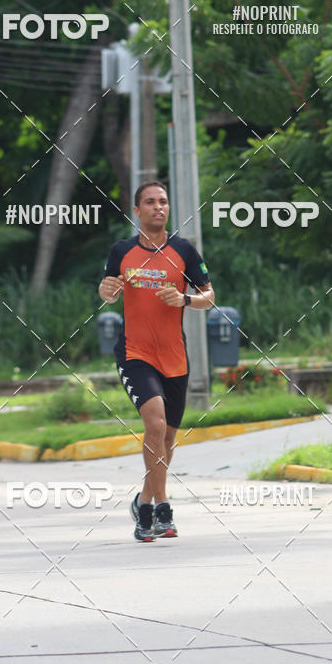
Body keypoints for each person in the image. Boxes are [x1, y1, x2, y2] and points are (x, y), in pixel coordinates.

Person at [99, 181, 214, 542]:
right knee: (155, 423)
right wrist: (105, 291)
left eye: (163, 201)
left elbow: (208, 297)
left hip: (175, 357)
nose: (158, 207)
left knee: (166, 438)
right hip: (135, 353)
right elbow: (107, 290)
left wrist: (184, 299)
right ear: (136, 211)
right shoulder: (122, 251)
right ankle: (159, 509)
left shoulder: (183, 250)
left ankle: (143, 499)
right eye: (149, 202)